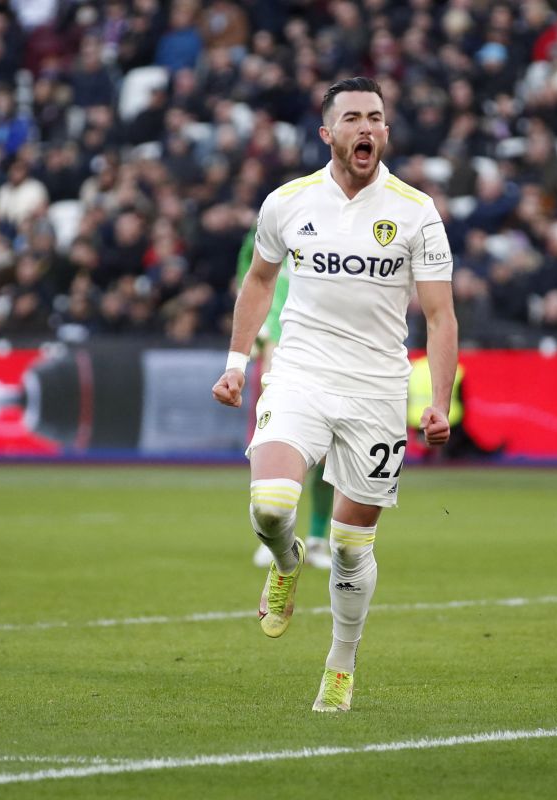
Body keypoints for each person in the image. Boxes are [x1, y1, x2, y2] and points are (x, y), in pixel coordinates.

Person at [212, 77, 457, 712]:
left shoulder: (416, 211)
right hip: (300, 371)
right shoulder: (287, 203)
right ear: (329, 134)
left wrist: (438, 397)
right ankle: (287, 559)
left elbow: (440, 315)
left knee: (352, 547)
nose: (367, 128)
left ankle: (341, 663)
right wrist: (238, 361)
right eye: (353, 118)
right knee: (270, 504)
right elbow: (260, 281)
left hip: (376, 389)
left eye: (376, 117)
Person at [235, 224, 332, 571]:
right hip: (276, 341)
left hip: (321, 344)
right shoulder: (267, 229)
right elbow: (247, 279)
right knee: (274, 439)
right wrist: (257, 332)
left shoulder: (332, 232)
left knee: (324, 447)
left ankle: (319, 537)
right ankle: (274, 537)